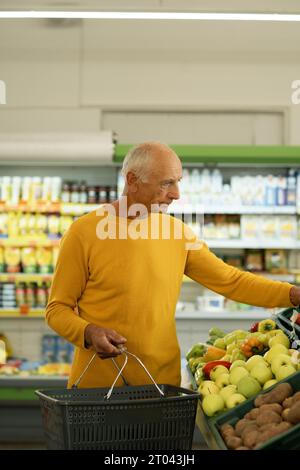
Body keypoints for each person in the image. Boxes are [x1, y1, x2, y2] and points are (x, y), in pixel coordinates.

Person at [46, 141, 300, 389]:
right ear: (132, 180)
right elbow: (57, 309)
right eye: (166, 183)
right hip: (98, 385)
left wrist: (292, 294)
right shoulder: (84, 233)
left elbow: (231, 281)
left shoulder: (177, 233)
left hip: (161, 383)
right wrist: (88, 332)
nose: (176, 194)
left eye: (178, 182)